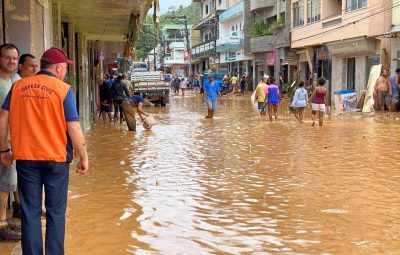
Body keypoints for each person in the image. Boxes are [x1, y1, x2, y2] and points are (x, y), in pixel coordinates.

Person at [0, 47, 88, 253]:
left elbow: (3, 119)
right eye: (65, 67)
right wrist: (83, 155)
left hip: (26, 160)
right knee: (55, 213)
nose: (65, 71)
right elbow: (73, 127)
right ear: (58, 68)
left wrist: (4, 149)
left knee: (30, 212)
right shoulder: (63, 89)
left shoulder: (18, 86)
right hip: (56, 159)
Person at [9, 53, 38, 220]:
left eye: (36, 66)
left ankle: (21, 207)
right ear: (21, 66)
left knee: (17, 173)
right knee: (13, 173)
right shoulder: (16, 83)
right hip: (15, 136)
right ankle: (19, 207)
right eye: (31, 66)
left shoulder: (24, 82)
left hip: (22, 135)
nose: (35, 69)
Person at [0, 44, 21, 242]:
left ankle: (4, 220)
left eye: (14, 58)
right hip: (2, 145)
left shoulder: (10, 82)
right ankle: (1, 225)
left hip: (8, 143)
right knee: (4, 184)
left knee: (6, 184)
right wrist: (3, 147)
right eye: (7, 58)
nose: (12, 62)